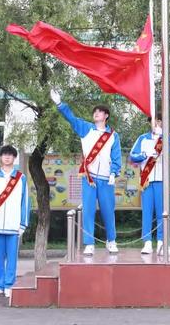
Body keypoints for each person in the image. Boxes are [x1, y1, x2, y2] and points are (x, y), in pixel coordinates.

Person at [51, 89, 121, 256]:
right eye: (95, 112)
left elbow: (116, 155)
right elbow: (71, 118)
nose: (96, 114)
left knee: (108, 211)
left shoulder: (113, 135)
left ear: (106, 116)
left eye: (100, 112)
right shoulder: (85, 128)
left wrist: (113, 173)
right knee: (88, 210)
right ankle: (89, 243)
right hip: (89, 178)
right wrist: (60, 104)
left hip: (106, 179)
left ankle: (111, 241)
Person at [0, 145, 30, 298]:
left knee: (12, 258)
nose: (7, 157)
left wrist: (23, 224)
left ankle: (9, 285)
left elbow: (25, 203)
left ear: (14, 158)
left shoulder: (21, 178)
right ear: (1, 158)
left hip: (13, 225)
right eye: (5, 155)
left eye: (10, 155)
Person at [130, 114, 170, 255]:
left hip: (161, 180)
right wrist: (145, 155)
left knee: (162, 213)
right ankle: (147, 243)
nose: (157, 124)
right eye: (154, 121)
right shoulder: (142, 138)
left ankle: (161, 242)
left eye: (160, 121)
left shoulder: (165, 138)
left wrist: (166, 136)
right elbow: (132, 156)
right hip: (146, 180)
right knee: (147, 212)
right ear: (149, 123)